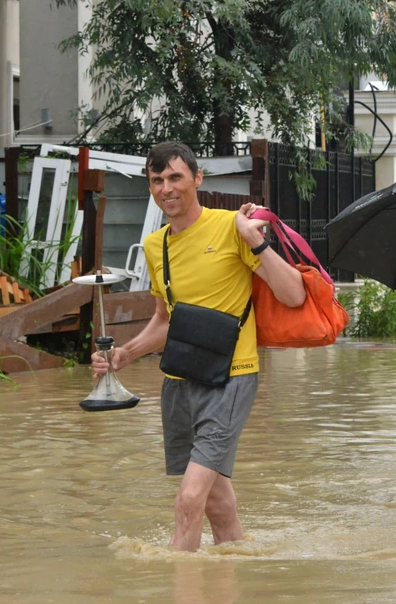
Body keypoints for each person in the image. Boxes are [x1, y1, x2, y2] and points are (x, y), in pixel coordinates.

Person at [92, 141, 305, 552]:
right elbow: (165, 319)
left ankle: (179, 579)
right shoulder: (155, 246)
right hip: (179, 380)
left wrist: (255, 241)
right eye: (157, 180)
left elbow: (294, 294)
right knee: (215, 502)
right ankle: (234, 563)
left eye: (175, 177)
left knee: (189, 499)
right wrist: (125, 354)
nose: (166, 188)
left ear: (197, 178)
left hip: (230, 378)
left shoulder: (232, 227)